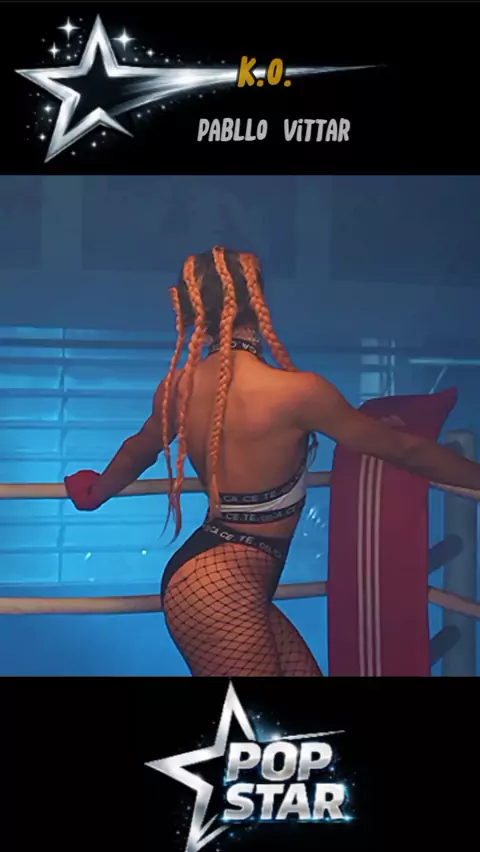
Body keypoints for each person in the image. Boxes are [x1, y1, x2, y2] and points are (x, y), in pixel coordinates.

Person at [65, 245, 480, 677]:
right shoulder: (298, 392)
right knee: (254, 722)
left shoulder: (179, 388)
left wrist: (97, 491)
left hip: (221, 580)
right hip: (222, 587)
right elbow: (406, 451)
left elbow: (139, 449)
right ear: (257, 301)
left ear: (190, 312)